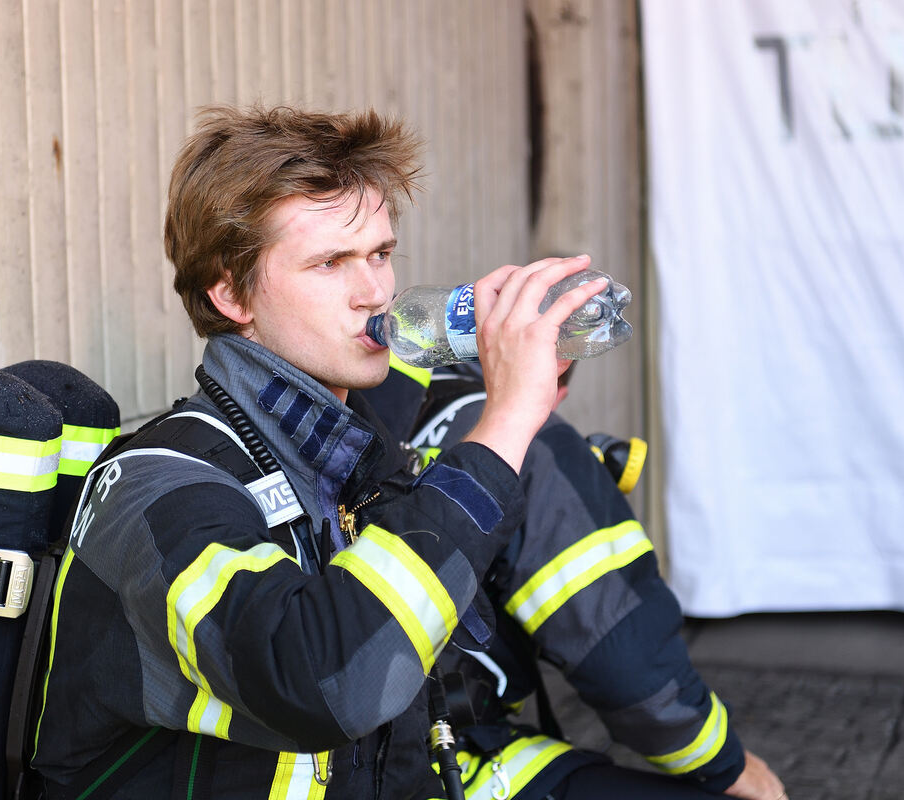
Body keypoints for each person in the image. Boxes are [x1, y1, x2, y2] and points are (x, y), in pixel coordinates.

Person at [30, 105, 611, 799]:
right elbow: (327, 681)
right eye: (331, 262)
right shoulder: (157, 493)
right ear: (230, 290)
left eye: (381, 254)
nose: (375, 293)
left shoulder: (354, 461)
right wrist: (509, 418)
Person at [359, 358, 789, 799]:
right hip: (438, 763)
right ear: (555, 391)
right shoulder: (531, 440)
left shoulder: (369, 396)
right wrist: (726, 763)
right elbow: (624, 660)